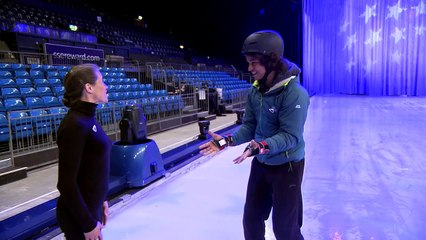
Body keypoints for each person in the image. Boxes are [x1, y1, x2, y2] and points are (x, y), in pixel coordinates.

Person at [199, 30, 309, 240]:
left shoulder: (295, 93)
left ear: (272, 61)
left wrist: (260, 146)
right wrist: (225, 142)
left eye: (254, 63)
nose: (249, 68)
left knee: (285, 229)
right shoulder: (256, 90)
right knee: (251, 221)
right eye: (248, 62)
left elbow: (290, 137)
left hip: (287, 167)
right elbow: (249, 126)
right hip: (261, 162)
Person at [56, 63, 111, 240]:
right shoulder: (74, 125)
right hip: (79, 218)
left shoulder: (88, 119)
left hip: (91, 208)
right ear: (89, 87)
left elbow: (91, 168)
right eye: (101, 81)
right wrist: (87, 224)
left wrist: (102, 199)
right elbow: (66, 183)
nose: (106, 86)